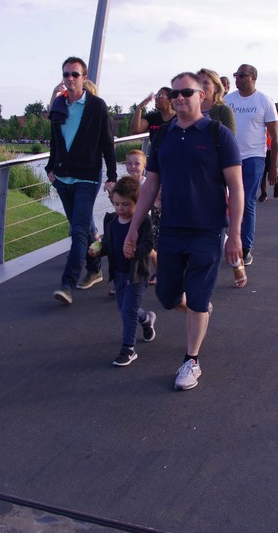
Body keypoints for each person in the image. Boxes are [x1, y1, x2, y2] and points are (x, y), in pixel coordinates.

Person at [124, 72, 244, 391]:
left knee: (198, 299)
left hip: (207, 230)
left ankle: (191, 360)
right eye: (173, 93)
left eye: (186, 92)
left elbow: (236, 187)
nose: (179, 98)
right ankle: (197, 307)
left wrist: (234, 235)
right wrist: (133, 227)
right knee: (166, 295)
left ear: (201, 96)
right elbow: (151, 184)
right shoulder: (163, 135)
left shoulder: (218, 134)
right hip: (172, 229)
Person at [45, 56, 118, 305]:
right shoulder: (59, 105)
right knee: (83, 226)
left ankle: (67, 284)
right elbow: (55, 140)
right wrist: (50, 167)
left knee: (77, 231)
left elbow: (107, 143)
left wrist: (112, 176)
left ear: (84, 77)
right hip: (62, 178)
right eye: (66, 74)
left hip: (87, 177)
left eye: (75, 74)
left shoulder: (97, 106)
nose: (70, 78)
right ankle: (95, 269)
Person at [88, 175, 157, 367]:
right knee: (125, 309)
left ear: (138, 203)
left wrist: (135, 251)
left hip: (137, 275)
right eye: (117, 204)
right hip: (119, 273)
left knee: (128, 311)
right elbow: (109, 245)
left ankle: (128, 349)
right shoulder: (112, 222)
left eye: (125, 205)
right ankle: (146, 319)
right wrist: (97, 251)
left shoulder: (143, 222)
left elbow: (148, 245)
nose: (120, 209)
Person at [224, 64, 278, 266]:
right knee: (220, 201)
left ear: (253, 77)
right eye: (235, 75)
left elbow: (275, 137)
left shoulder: (264, 101)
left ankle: (245, 247)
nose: (237, 79)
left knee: (247, 201)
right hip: (228, 158)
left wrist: (273, 167)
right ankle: (225, 241)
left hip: (253, 158)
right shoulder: (227, 100)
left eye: (241, 75)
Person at [125, 148, 159, 286]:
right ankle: (125, 279)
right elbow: (119, 203)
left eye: (137, 163)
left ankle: (159, 273)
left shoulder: (147, 184)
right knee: (128, 248)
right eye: (129, 163)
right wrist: (111, 193)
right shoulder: (125, 184)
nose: (133, 166)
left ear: (145, 166)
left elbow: (154, 202)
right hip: (130, 222)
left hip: (145, 222)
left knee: (149, 251)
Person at [196, 68, 237, 134]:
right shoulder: (188, 110)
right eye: (198, 83)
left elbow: (230, 137)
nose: (201, 86)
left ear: (216, 88)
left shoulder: (224, 111)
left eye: (205, 83)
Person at [258, 111, 278, 202]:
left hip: (275, 147)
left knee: (273, 167)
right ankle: (263, 193)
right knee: (262, 171)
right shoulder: (260, 116)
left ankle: (277, 184)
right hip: (262, 147)